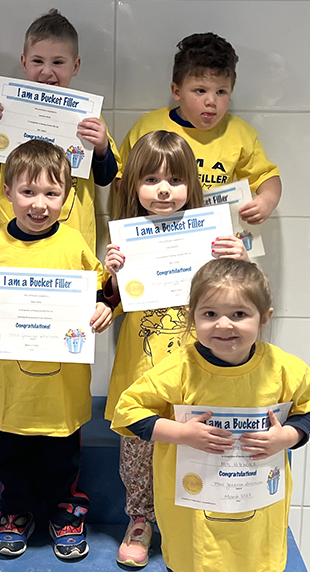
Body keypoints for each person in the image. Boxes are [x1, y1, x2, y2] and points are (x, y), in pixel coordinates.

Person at [0, 140, 113, 561]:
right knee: (8, 452)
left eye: (51, 193)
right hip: (7, 386)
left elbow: (98, 285)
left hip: (61, 383)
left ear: (68, 196)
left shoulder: (74, 244)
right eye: (28, 192)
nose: (39, 204)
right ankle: (16, 510)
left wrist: (103, 303)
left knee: (62, 453)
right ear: (7, 192)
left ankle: (65, 510)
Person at [111, 258, 310, 572]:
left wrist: (288, 436)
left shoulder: (283, 369)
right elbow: (126, 412)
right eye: (210, 314)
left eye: (239, 314)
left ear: (264, 318)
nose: (224, 325)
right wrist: (181, 434)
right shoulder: (180, 368)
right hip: (192, 519)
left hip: (257, 519)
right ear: (192, 317)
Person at [104, 130, 249, 567]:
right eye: (150, 180)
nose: (163, 190)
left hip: (198, 374)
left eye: (174, 180)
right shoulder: (124, 242)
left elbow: (238, 300)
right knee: (139, 453)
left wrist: (237, 262)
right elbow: (108, 305)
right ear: (133, 187)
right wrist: (110, 278)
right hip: (143, 374)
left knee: (197, 448)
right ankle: (141, 519)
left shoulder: (213, 240)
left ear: (192, 186)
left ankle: (191, 521)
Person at [0, 8, 121, 252]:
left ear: (75, 66)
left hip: (72, 242)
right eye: (37, 61)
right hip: (15, 242)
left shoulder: (88, 116)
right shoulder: (5, 112)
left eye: (58, 62)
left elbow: (105, 179)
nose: (46, 71)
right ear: (24, 62)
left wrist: (101, 148)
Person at [119, 32, 281, 225]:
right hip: (155, 236)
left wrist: (267, 200)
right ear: (177, 91)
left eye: (221, 92)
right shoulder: (148, 128)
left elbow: (267, 176)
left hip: (212, 238)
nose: (211, 101)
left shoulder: (239, 134)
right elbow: (122, 178)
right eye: (200, 90)